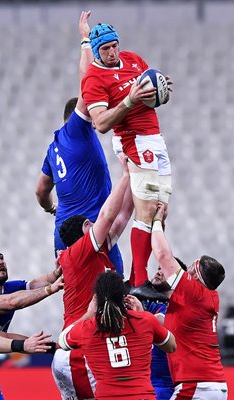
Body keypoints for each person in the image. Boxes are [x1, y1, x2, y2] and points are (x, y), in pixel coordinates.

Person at [81, 19, 173, 288]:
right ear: (97, 51)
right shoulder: (94, 79)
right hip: (133, 140)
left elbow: (152, 96)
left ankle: (140, 276)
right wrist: (129, 100)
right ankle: (139, 278)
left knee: (160, 209)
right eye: (106, 48)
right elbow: (101, 124)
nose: (113, 52)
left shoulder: (133, 60)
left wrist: (162, 91)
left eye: (115, 46)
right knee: (144, 211)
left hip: (155, 137)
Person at [35, 11, 123, 276]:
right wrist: (86, 39)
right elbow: (87, 86)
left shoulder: (53, 149)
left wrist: (51, 207)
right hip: (90, 230)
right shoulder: (77, 130)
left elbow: (40, 190)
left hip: (63, 233)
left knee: (74, 295)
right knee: (112, 293)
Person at [52, 152, 133, 399]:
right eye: (91, 224)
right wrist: (126, 173)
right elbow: (108, 216)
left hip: (81, 347)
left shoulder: (98, 255)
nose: (99, 226)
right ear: (86, 231)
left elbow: (122, 215)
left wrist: (135, 175)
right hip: (77, 350)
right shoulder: (76, 253)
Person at [58, 270, 176, 400]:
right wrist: (142, 315)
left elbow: (62, 341)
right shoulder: (145, 321)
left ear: (96, 299)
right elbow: (171, 346)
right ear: (124, 295)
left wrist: (89, 314)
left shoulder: (87, 328)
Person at [151, 202, 228, 399]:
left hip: (196, 385)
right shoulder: (207, 298)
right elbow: (165, 322)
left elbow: (163, 255)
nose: (186, 273)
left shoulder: (195, 291)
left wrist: (157, 221)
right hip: (213, 384)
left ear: (196, 276)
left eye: (191, 271)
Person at [0, 243, 64, 400]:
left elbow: (4, 338)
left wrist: (58, 272)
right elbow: (10, 303)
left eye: (1, 257)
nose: (0, 261)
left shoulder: (8, 289)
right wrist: (49, 289)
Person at [126, 258, 187, 400]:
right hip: (143, 386)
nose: (159, 272)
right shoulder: (151, 304)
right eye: (159, 268)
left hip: (166, 388)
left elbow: (160, 322)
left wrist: (141, 315)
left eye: (165, 270)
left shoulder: (180, 309)